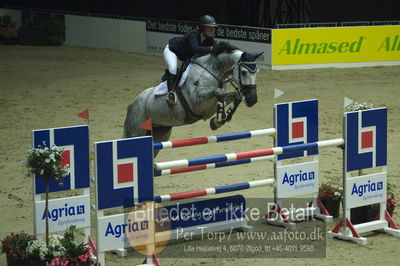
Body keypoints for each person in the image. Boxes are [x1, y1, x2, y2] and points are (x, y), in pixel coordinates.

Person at [163, 15, 218, 105]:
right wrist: (211, 49)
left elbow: (216, 47)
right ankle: (170, 94)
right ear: (203, 28)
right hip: (172, 50)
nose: (213, 30)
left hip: (185, 55)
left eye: (213, 28)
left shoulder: (209, 38)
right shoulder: (194, 34)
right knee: (173, 68)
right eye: (210, 28)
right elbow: (194, 49)